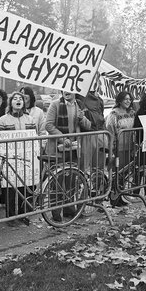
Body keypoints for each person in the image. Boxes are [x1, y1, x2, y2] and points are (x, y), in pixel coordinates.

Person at [45, 90, 91, 221]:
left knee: (71, 180)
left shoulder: (80, 106)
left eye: (70, 90)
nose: (67, 92)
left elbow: (88, 126)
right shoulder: (55, 105)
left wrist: (82, 118)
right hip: (58, 150)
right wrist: (62, 138)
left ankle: (69, 210)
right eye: (64, 90)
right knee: (57, 181)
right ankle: (55, 213)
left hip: (74, 149)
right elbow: (48, 125)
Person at [0, 92, 38, 224]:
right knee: (10, 187)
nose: (18, 100)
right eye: (15, 98)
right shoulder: (2, 120)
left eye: (21, 99)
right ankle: (10, 215)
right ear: (11, 102)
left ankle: (22, 214)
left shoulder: (30, 119)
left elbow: (34, 137)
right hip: (10, 158)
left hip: (25, 158)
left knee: (24, 185)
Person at [105, 91, 136, 169]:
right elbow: (110, 132)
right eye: (125, 99)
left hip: (131, 147)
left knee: (128, 171)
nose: (128, 101)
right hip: (119, 149)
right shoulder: (113, 114)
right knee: (119, 171)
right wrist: (111, 150)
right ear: (120, 100)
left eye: (129, 99)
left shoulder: (132, 113)